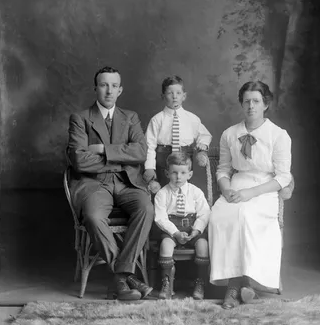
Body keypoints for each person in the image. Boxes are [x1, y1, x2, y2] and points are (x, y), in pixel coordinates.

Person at [67, 66, 154, 301]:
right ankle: (128, 277)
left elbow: (140, 152)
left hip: (128, 183)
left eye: (114, 86)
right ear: (95, 88)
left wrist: (104, 150)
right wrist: (119, 159)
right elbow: (79, 161)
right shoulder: (80, 118)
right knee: (94, 218)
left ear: (120, 90)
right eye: (104, 85)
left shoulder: (131, 117)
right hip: (95, 184)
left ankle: (120, 277)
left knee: (146, 209)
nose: (109, 90)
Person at [208, 80, 292, 309]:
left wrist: (251, 193)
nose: (251, 106)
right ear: (241, 104)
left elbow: (283, 176)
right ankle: (240, 282)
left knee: (245, 216)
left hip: (264, 189)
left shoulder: (278, 135)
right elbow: (223, 169)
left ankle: (236, 286)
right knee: (218, 216)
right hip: (236, 186)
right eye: (246, 101)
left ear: (266, 104)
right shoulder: (230, 134)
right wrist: (227, 190)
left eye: (256, 101)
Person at [154, 152, 211, 300]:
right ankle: (166, 284)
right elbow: (160, 218)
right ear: (167, 173)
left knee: (203, 245)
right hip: (172, 229)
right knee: (165, 245)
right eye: (174, 172)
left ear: (190, 174)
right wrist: (175, 233)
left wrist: (196, 230)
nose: (178, 177)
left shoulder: (195, 192)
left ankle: (200, 283)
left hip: (192, 228)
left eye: (183, 173)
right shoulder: (162, 193)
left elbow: (204, 213)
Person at [143, 75, 212, 190]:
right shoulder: (157, 120)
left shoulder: (191, 118)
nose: (174, 97)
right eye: (170, 93)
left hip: (185, 159)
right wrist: (149, 167)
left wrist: (202, 144)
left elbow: (205, 134)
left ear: (184, 96)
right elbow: (149, 145)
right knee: (164, 191)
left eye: (178, 93)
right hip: (163, 160)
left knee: (183, 190)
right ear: (163, 96)